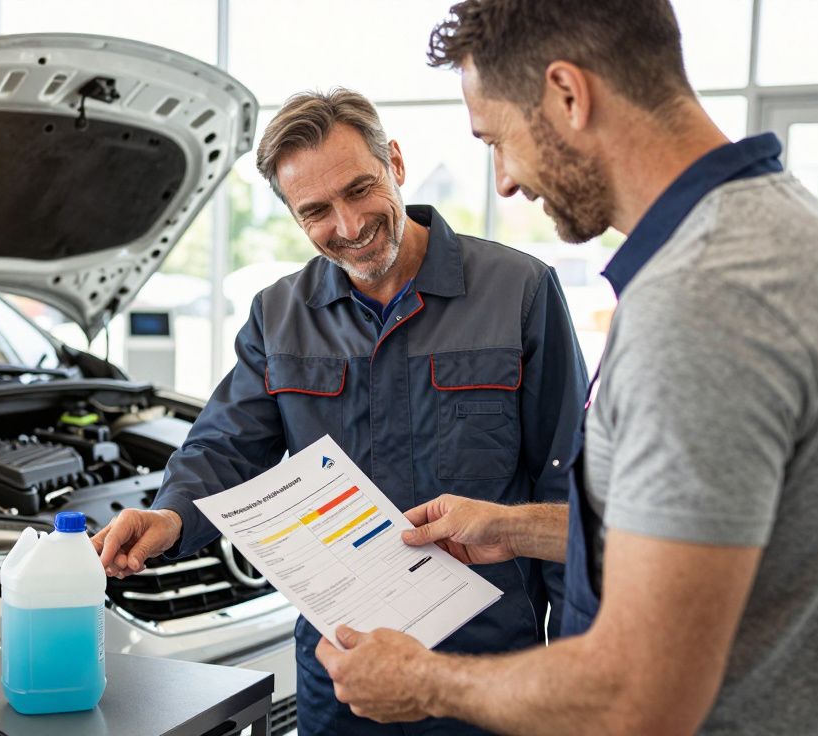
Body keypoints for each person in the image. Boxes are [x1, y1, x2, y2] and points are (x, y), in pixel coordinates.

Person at [315, 1, 818, 733]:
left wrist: (424, 681)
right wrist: (523, 528)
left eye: (497, 140)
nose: (503, 181)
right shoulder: (788, 232)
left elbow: (638, 693)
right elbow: (726, 529)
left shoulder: (703, 299)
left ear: (569, 95)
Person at [93, 88, 589, 734]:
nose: (350, 226)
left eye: (360, 190)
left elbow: (569, 485)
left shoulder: (518, 291)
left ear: (397, 165)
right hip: (344, 681)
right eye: (317, 211)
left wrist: (575, 673)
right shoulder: (278, 317)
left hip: (486, 681)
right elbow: (226, 446)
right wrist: (169, 515)